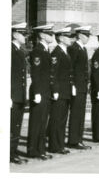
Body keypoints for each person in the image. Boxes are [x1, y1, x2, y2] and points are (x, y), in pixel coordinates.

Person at [27, 24, 54, 160]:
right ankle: (33, 150)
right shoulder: (38, 51)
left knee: (43, 121)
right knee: (37, 121)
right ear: (42, 35)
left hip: (45, 91)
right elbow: (36, 73)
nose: (52, 36)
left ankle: (40, 149)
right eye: (49, 33)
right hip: (40, 91)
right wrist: (37, 91)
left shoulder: (46, 50)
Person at [47, 26, 75, 155]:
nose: (71, 39)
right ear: (62, 38)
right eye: (68, 37)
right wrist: (55, 90)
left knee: (62, 119)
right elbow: (53, 73)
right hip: (60, 91)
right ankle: (54, 145)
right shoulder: (57, 53)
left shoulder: (65, 52)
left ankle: (60, 144)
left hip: (66, 91)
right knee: (56, 119)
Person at [67, 24, 91, 150]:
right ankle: (73, 140)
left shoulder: (83, 48)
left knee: (80, 113)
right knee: (76, 113)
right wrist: (72, 84)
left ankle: (78, 139)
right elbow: (70, 67)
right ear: (80, 35)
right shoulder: (74, 48)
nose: (88, 38)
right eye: (86, 35)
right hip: (76, 85)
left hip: (82, 86)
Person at [10, 22, 29, 164]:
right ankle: (9, 153)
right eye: (23, 34)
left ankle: (13, 152)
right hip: (13, 95)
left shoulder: (19, 51)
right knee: (11, 126)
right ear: (15, 34)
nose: (25, 37)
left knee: (17, 125)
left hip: (19, 95)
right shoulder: (9, 50)